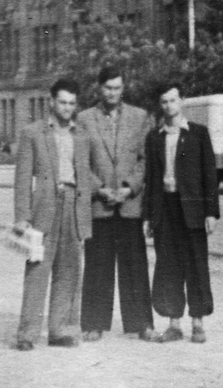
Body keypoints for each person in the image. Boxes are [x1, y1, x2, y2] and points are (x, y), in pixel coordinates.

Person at [12, 78, 95, 351]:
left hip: (73, 204)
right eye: (62, 102)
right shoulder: (32, 133)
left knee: (69, 270)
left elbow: (84, 176)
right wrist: (22, 217)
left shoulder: (81, 135)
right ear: (51, 102)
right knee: (37, 269)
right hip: (43, 207)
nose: (67, 108)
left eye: (72, 103)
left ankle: (61, 330)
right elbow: (23, 178)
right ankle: (27, 333)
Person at [77, 65, 154, 342]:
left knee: (135, 265)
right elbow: (80, 162)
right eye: (108, 88)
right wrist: (99, 189)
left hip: (129, 204)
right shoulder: (84, 119)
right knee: (98, 266)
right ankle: (94, 323)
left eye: (117, 88)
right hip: (100, 205)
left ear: (123, 88)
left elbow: (146, 159)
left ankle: (141, 323)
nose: (112, 93)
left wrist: (128, 187)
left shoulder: (140, 116)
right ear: (99, 88)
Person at [143, 82, 219, 344]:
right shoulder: (155, 137)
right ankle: (174, 323)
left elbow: (210, 175)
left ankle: (198, 322)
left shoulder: (198, 134)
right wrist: (149, 217)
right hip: (166, 208)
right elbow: (151, 180)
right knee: (168, 266)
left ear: (182, 101)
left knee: (196, 265)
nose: (168, 106)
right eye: (164, 102)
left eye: (173, 100)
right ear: (160, 105)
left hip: (194, 210)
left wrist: (211, 212)